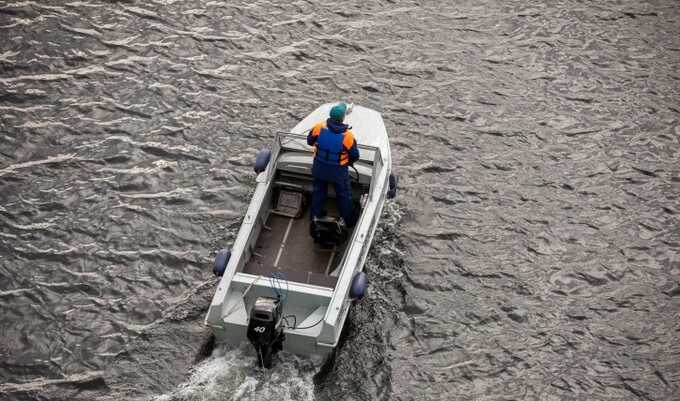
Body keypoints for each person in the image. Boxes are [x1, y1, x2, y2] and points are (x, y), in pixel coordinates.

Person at [307, 103, 360, 227]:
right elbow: (355, 155)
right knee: (343, 195)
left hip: (319, 167)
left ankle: (315, 216)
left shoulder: (318, 128)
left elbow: (310, 141)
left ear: (330, 116)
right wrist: (347, 162)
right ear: (342, 118)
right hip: (338, 172)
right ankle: (346, 220)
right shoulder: (347, 136)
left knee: (318, 192)